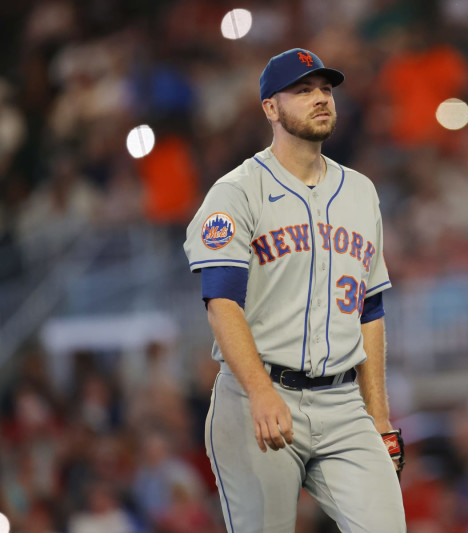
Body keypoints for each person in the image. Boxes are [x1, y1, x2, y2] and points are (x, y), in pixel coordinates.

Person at [183, 48, 406, 532]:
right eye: (302, 90)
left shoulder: (361, 192)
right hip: (257, 395)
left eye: (325, 89)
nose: (320, 98)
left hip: (345, 403)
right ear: (270, 107)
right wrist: (261, 393)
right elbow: (221, 303)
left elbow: (369, 310)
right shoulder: (236, 192)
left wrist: (381, 419)